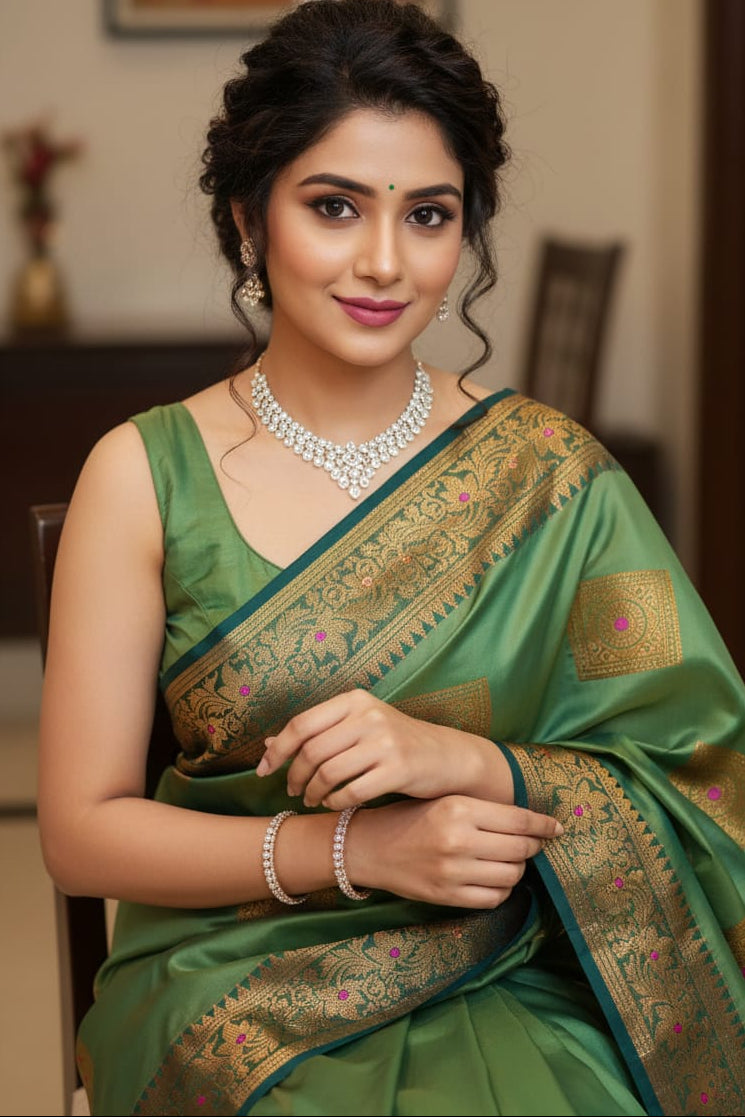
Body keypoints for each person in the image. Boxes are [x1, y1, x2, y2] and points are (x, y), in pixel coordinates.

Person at [37, 2, 745, 1114]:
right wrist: (358, 850)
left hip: (518, 955)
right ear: (245, 220)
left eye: (428, 214)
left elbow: (703, 777)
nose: (383, 261)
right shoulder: (143, 476)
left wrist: (477, 766)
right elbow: (80, 836)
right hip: (234, 984)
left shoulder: (548, 475)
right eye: (333, 207)